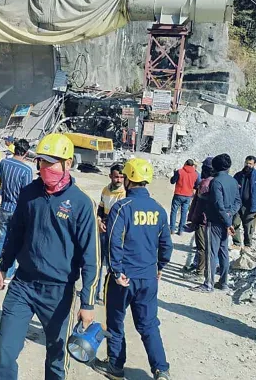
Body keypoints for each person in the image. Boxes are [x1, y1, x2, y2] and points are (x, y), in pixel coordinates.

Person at [0, 133, 99, 380]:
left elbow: (91, 257)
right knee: (4, 352)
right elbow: (15, 233)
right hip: (23, 286)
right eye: (42, 161)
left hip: (58, 292)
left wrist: (88, 302)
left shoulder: (82, 204)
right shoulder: (29, 193)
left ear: (68, 163)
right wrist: (3, 266)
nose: (45, 167)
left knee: (56, 357)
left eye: (52, 162)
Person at [91, 158, 172, 380]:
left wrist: (116, 271)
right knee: (148, 325)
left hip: (123, 277)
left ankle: (115, 367)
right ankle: (161, 370)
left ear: (128, 179)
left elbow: (112, 241)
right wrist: (160, 266)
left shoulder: (122, 207)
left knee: (115, 322)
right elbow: (166, 244)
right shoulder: (158, 209)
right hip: (148, 277)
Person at [192, 153, 238, 292]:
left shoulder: (215, 182)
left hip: (214, 221)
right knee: (224, 252)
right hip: (226, 221)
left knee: (211, 252)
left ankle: (208, 284)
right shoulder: (233, 181)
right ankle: (223, 283)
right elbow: (237, 202)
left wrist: (226, 219)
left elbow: (218, 205)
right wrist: (230, 216)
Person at [0, 138, 35, 284]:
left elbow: (0, 181)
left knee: (1, 238)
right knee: (15, 240)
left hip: (4, 206)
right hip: (17, 210)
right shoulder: (26, 170)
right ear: (25, 153)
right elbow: (27, 193)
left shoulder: (4, 163)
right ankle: (9, 271)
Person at [96, 163, 126, 301]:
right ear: (110, 176)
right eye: (116, 177)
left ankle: (108, 294)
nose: (119, 180)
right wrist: (99, 221)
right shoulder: (105, 190)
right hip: (103, 229)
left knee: (111, 265)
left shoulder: (124, 193)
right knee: (97, 263)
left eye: (121, 177)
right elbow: (101, 209)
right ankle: (95, 293)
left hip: (116, 232)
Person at [183, 157, 214, 276]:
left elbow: (199, 206)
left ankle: (199, 272)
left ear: (207, 169)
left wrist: (193, 221)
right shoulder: (215, 182)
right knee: (203, 246)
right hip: (210, 221)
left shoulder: (205, 184)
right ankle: (198, 265)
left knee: (202, 247)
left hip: (202, 220)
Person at [169, 159, 200, 235]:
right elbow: (197, 186)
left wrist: (174, 174)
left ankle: (172, 229)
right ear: (192, 166)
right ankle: (180, 231)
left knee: (174, 211)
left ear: (185, 163)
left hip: (178, 194)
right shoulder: (196, 174)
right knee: (184, 213)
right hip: (188, 196)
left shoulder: (179, 171)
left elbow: (172, 181)